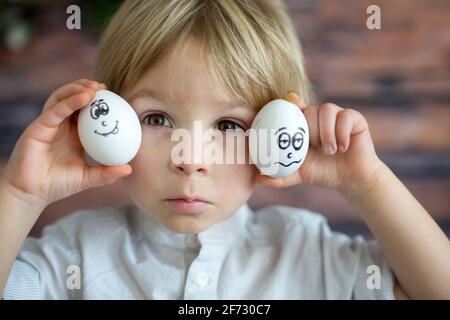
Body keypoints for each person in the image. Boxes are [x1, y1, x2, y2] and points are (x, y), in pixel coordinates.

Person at [1, 0, 449, 299]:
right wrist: (20, 197)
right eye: (157, 119)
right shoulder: (74, 255)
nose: (191, 158)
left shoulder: (304, 249)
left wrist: (367, 183)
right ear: (108, 115)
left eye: (230, 125)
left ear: (277, 135)